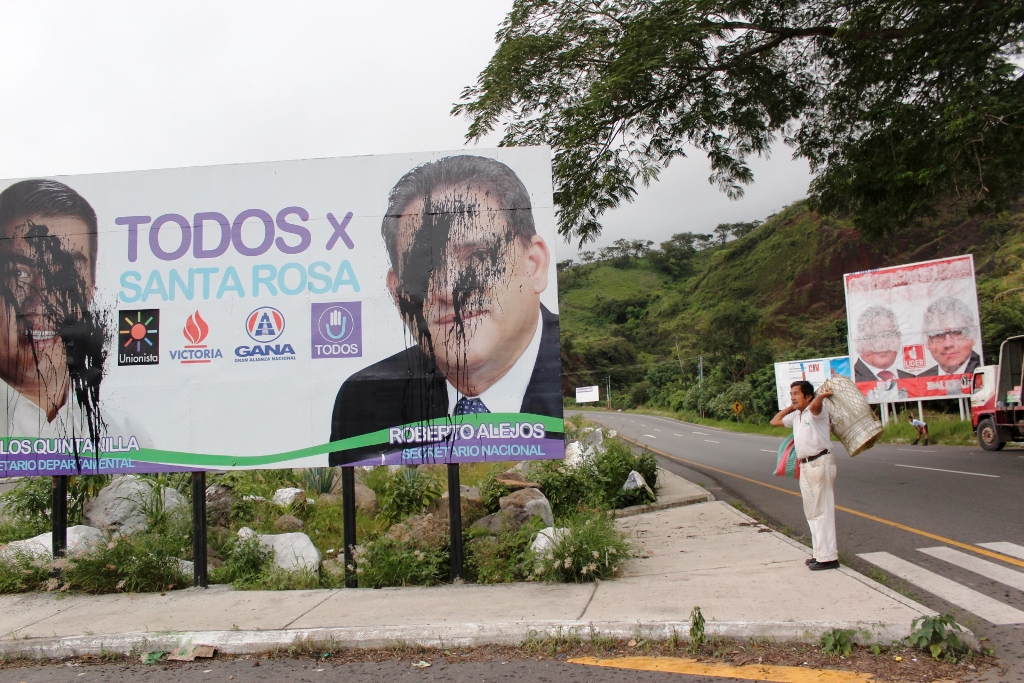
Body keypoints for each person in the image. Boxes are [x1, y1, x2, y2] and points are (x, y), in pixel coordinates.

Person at [329, 155, 561, 466]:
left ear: (534, 265)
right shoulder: (364, 400)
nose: (447, 290)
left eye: (477, 256)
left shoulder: (578, 375)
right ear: (398, 293)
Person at [0, 179, 150, 450]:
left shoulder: (125, 437)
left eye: (65, 275)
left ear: (91, 288)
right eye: (19, 273)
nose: (42, 302)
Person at [770, 380, 839, 571]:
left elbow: (816, 406)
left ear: (808, 396)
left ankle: (829, 557)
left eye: (796, 394)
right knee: (811, 512)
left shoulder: (817, 412)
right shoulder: (796, 416)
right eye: (791, 394)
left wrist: (821, 396)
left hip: (820, 463)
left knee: (823, 511)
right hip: (806, 466)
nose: (792, 397)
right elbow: (774, 421)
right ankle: (819, 554)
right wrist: (791, 406)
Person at [918, 297, 981, 376]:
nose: (948, 344)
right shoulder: (920, 379)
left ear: (973, 337)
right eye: (938, 335)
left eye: (957, 332)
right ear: (927, 342)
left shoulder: (986, 368)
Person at [853, 307, 902, 381]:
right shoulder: (851, 379)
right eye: (873, 337)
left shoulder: (914, 378)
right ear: (859, 341)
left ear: (898, 337)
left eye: (887, 335)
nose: (881, 344)